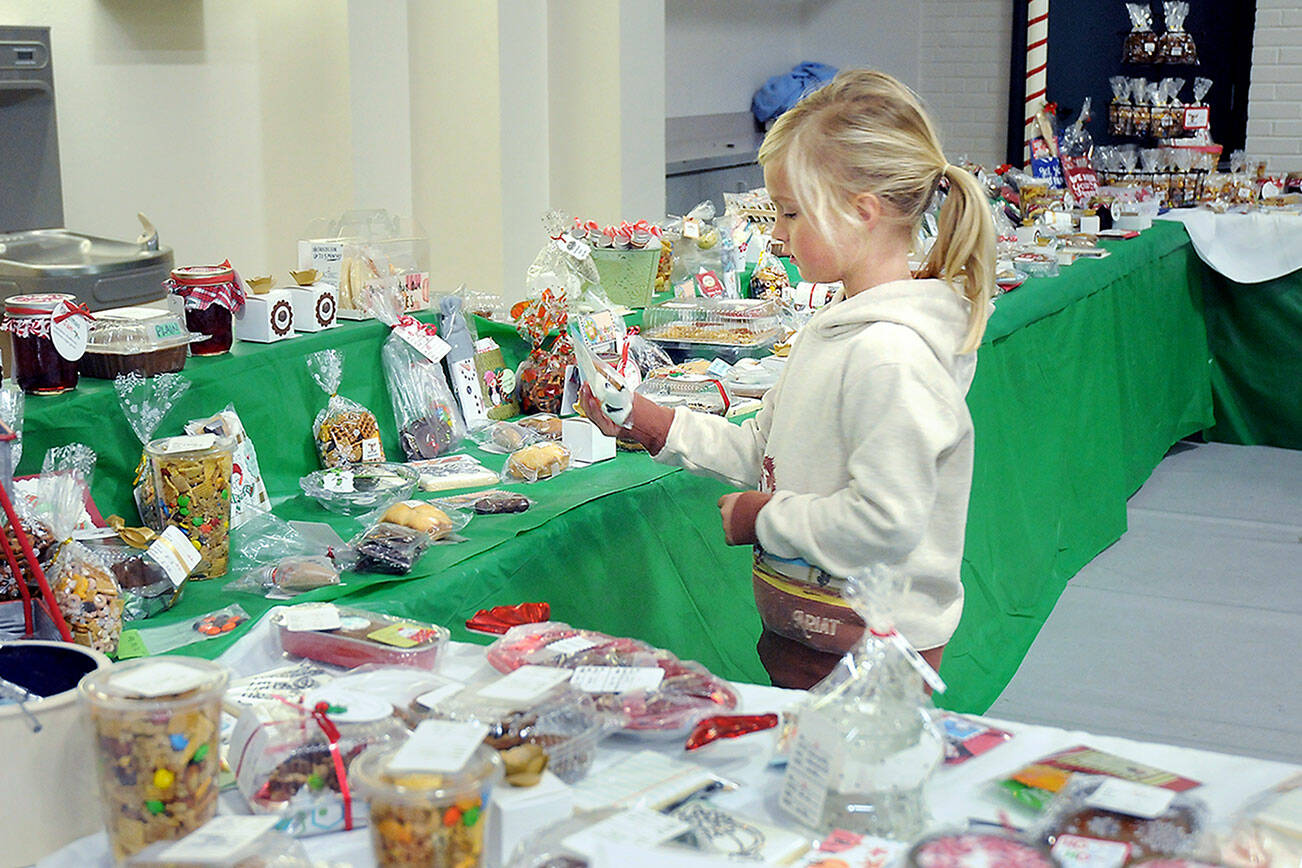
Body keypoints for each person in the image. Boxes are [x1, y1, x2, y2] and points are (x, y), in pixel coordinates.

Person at [580, 69, 994, 689]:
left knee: (849, 787)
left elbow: (885, 521)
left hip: (869, 653)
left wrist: (762, 518)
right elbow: (762, 450)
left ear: (862, 211)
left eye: (791, 213)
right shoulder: (836, 327)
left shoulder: (888, 356)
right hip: (809, 632)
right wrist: (651, 422)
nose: (776, 234)